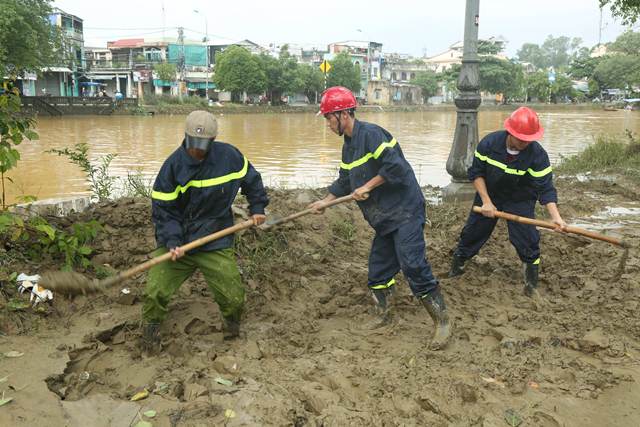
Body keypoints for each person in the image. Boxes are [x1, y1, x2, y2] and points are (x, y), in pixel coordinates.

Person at [308, 86, 452, 350]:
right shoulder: (349, 147)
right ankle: (384, 315)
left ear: (343, 114)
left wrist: (368, 186)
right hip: (384, 218)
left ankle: (442, 321)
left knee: (413, 265)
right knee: (378, 270)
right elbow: (344, 181)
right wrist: (325, 202)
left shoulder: (373, 135)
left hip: (405, 210)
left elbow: (395, 166)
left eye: (329, 117)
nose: (327, 124)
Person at [142, 110, 269, 351]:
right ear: (186, 137)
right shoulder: (172, 168)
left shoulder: (229, 156)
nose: (197, 150)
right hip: (180, 241)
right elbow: (163, 211)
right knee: (155, 291)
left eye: (203, 145)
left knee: (233, 296)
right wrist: (172, 241)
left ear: (212, 141)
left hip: (215, 237)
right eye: (193, 143)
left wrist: (258, 207)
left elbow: (252, 180)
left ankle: (231, 331)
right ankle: (150, 334)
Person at [449, 107, 566, 298]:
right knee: (473, 232)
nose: (524, 143)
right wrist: (486, 202)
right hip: (490, 193)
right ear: (510, 132)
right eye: (521, 139)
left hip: (520, 196)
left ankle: (531, 284)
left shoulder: (537, 155)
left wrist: (556, 218)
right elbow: (476, 173)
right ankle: (457, 266)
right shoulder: (489, 143)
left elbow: (546, 188)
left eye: (528, 140)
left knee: (527, 239)